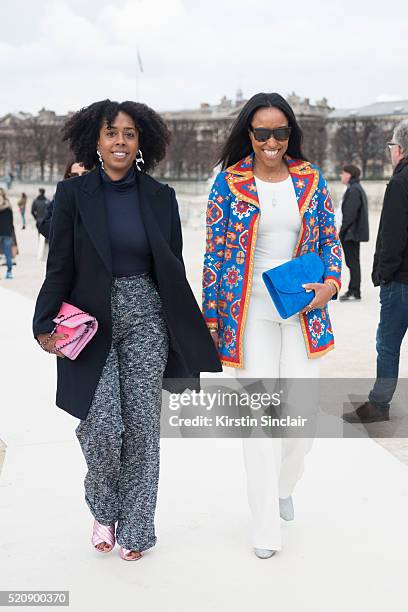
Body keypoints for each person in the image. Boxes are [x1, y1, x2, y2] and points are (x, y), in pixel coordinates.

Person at [33, 99, 221, 562]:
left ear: (142, 143)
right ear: (95, 141)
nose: (120, 140)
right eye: (111, 132)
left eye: (129, 133)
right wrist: (42, 322)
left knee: (140, 428)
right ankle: (103, 506)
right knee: (102, 427)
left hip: (146, 317)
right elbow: (59, 265)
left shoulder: (162, 197)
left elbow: (172, 270)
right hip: (89, 321)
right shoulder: (74, 195)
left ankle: (136, 528)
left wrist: (198, 326)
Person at [202, 92, 342, 558]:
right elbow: (215, 257)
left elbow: (329, 241)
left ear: (290, 134)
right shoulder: (229, 183)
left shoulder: (311, 179)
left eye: (280, 132)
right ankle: (264, 524)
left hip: (302, 310)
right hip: (249, 314)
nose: (271, 141)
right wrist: (211, 318)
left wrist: (331, 283)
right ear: (249, 134)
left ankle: (285, 484)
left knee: (301, 415)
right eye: (262, 132)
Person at [343, 119, 408, 424]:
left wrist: (383, 272)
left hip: (401, 279)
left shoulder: (400, 182)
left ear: (401, 149)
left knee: (388, 344)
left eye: (391, 147)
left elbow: (393, 236)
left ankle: (379, 403)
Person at [338, 164, 369, 301]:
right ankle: (354, 290)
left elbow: (349, 215)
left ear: (349, 175)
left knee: (353, 263)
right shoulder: (354, 188)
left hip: (351, 233)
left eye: (343, 173)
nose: (341, 175)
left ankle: (354, 291)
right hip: (352, 232)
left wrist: (341, 231)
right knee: (353, 262)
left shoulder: (354, 190)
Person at [38, 161, 88, 240]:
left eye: (85, 174)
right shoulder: (60, 198)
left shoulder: (101, 197)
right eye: (74, 175)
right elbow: (45, 228)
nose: (80, 178)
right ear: (68, 177)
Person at [0, 187, 15, 279]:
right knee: (7, 253)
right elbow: (11, 221)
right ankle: (9, 272)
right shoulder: (9, 206)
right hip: (7, 232)